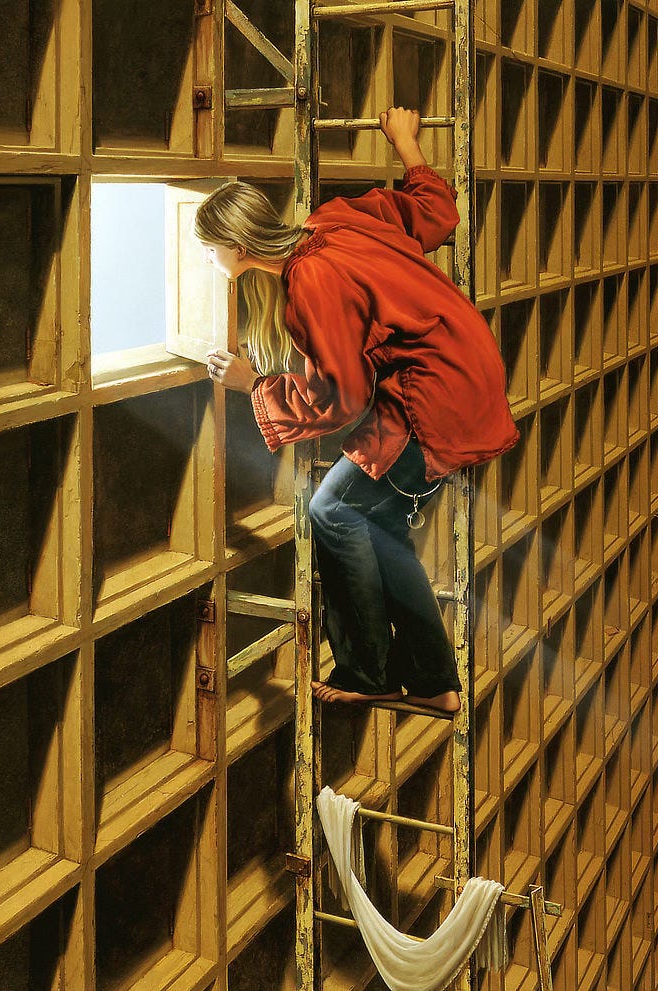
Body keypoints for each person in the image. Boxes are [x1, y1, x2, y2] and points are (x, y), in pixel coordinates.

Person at [195, 106, 518, 714]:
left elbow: (343, 396)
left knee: (333, 509)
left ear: (238, 248)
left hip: (433, 397)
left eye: (210, 250)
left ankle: (369, 672)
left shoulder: (308, 280)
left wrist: (254, 385)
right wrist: (408, 147)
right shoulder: (334, 221)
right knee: (380, 523)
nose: (209, 262)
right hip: (465, 366)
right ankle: (434, 682)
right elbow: (433, 214)